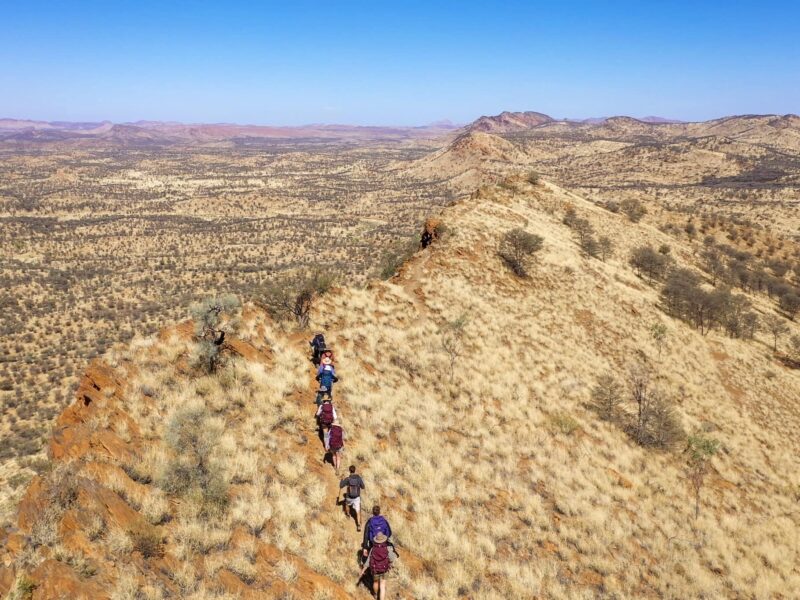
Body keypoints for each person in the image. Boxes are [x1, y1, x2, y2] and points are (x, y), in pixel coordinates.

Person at [358, 532, 396, 600]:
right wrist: (390, 563)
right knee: (382, 585)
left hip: (375, 569)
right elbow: (392, 558)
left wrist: (363, 569)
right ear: (384, 540)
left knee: (375, 582)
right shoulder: (387, 548)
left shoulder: (373, 549)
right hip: (384, 569)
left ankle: (375, 594)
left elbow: (368, 560)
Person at [338, 464, 364, 530]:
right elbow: (363, 487)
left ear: (349, 471)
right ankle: (358, 525)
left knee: (346, 504)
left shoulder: (348, 479)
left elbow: (341, 486)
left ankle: (348, 514)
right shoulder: (359, 478)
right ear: (355, 470)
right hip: (357, 497)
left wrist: (342, 479)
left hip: (349, 496)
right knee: (358, 511)